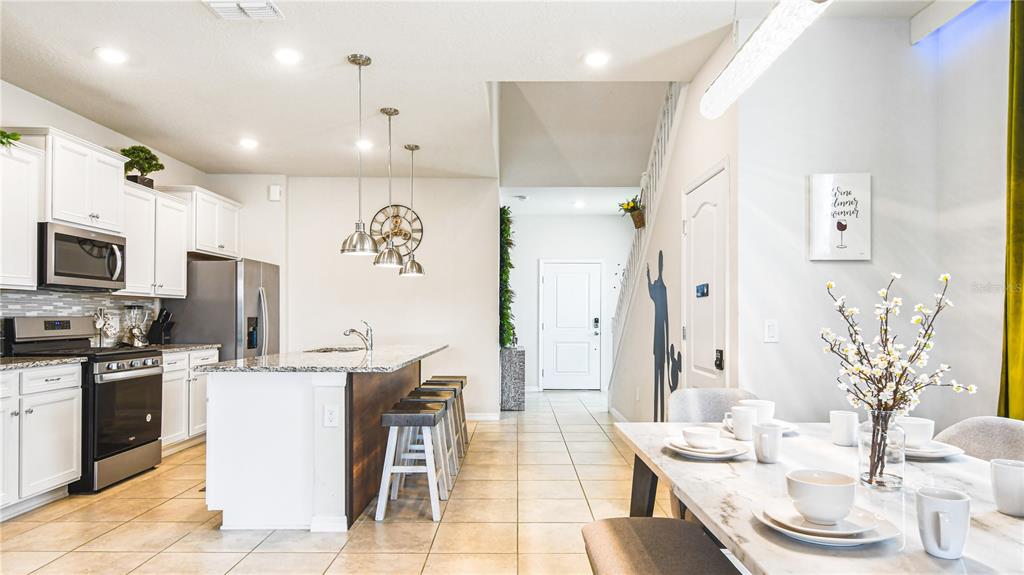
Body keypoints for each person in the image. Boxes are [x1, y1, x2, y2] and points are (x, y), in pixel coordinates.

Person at [647, 251, 670, 422]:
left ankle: (660, 418)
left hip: (661, 332)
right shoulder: (656, 287)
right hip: (657, 333)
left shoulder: (662, 286)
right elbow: (651, 291)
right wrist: (648, 277)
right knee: (656, 374)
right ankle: (656, 418)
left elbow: (667, 320)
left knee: (661, 373)